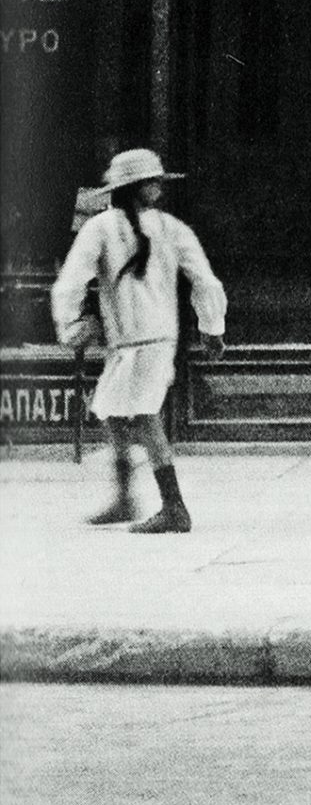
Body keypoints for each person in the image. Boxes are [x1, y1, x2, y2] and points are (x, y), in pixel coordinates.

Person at [51, 148, 225, 535]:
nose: (157, 187)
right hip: (132, 344)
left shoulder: (150, 228)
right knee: (112, 410)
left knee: (145, 418)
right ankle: (126, 496)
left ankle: (175, 507)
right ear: (132, 188)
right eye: (151, 181)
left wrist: (71, 323)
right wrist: (212, 326)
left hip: (148, 341)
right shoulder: (132, 227)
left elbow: (204, 279)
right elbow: (71, 281)